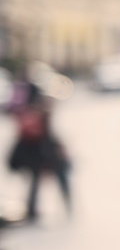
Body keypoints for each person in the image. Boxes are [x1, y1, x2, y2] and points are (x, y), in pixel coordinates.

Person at [6, 71, 71, 222]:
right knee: (58, 175)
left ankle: (33, 210)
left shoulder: (30, 112)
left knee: (37, 181)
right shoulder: (39, 114)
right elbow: (48, 135)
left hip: (36, 153)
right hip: (41, 152)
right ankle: (65, 205)